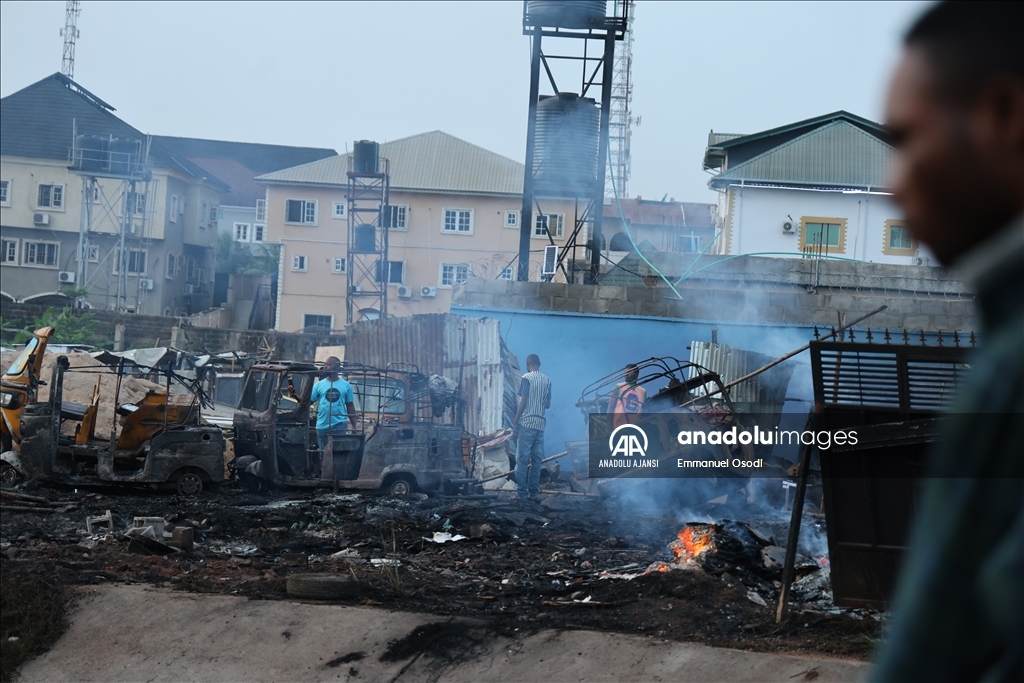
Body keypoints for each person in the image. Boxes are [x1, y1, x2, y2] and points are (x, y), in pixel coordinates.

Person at [872, 3, 1023, 681]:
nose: (891, 187)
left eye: (906, 140)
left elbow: (928, 660)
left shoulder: (1006, 381)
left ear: (1003, 114)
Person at [512, 354, 551, 500]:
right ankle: (534, 492)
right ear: (539, 364)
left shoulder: (526, 378)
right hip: (540, 425)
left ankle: (522, 494)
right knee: (536, 461)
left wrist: (515, 421)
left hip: (527, 423)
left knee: (522, 460)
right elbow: (548, 404)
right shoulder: (547, 380)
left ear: (528, 364)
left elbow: (523, 401)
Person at [308, 356, 356, 459]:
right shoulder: (319, 385)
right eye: (325, 364)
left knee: (339, 455)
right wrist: (295, 396)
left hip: (339, 425)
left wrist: (354, 426)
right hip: (322, 426)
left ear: (337, 366)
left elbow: (350, 406)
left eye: (328, 364)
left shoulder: (346, 385)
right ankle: (325, 475)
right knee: (323, 455)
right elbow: (308, 402)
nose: (325, 367)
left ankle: (339, 475)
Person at [611, 363, 646, 428]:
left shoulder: (643, 391)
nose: (626, 374)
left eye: (629, 372)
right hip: (618, 427)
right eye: (625, 372)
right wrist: (610, 430)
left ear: (636, 374)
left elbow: (643, 411)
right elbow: (610, 409)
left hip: (636, 427)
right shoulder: (618, 387)